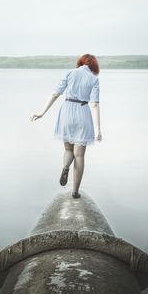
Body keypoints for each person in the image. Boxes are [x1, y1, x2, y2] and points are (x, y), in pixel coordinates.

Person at [30, 53, 102, 198]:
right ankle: (75, 192)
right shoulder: (94, 79)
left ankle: (65, 166)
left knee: (68, 149)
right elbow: (94, 104)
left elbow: (55, 94)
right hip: (82, 112)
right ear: (93, 66)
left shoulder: (70, 72)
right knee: (79, 155)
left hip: (66, 112)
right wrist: (98, 129)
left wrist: (42, 113)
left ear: (80, 63)